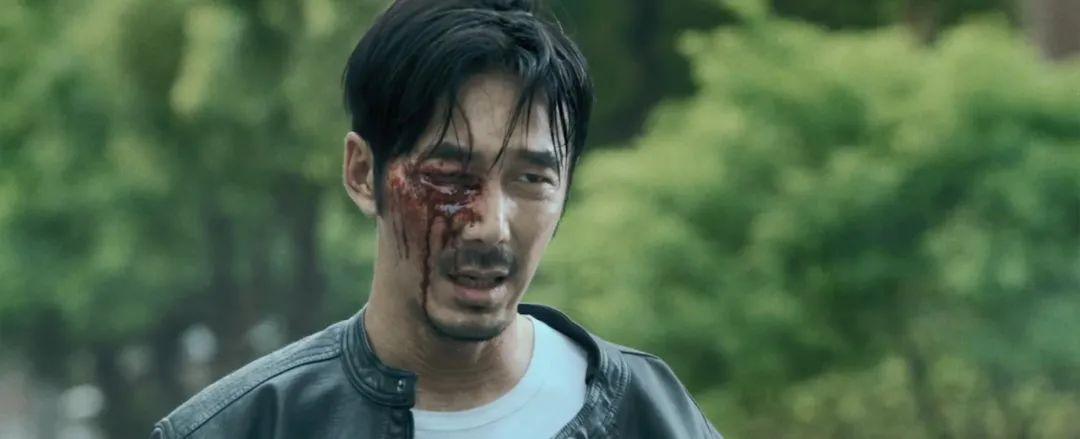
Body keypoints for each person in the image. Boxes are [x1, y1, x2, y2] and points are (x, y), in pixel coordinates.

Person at [151, 0, 722, 437]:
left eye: (531, 179)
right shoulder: (248, 426)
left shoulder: (646, 413)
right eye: (449, 175)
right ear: (362, 173)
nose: (491, 225)